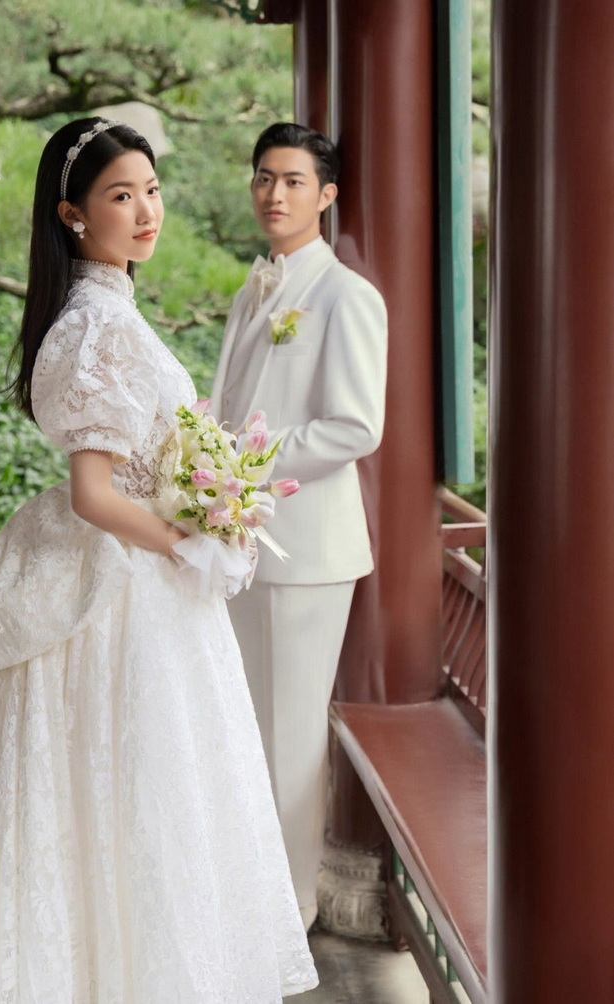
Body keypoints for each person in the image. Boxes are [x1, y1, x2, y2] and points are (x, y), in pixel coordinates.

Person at [0, 117, 319, 1003]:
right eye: (120, 196)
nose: (146, 211)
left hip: (152, 594)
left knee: (140, 803)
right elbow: (94, 496)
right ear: (72, 215)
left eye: (151, 190)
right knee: (126, 797)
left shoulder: (110, 312)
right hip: (126, 599)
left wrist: (209, 515)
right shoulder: (94, 328)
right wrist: (193, 540)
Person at [210, 122, 388, 933]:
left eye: (291, 180)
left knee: (289, 737)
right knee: (245, 726)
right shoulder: (255, 289)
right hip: (240, 541)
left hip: (307, 549)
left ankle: (288, 912)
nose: (272, 193)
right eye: (262, 177)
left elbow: (354, 427)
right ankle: (250, 895)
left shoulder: (346, 296)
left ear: (327, 194)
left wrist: (238, 462)